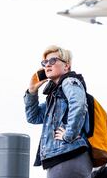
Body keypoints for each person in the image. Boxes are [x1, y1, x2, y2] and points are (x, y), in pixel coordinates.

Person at [24, 45, 92, 178]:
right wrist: (32, 92)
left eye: (53, 61)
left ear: (66, 66)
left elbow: (78, 104)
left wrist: (69, 134)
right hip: (61, 157)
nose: (47, 65)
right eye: (45, 62)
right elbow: (33, 117)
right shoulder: (55, 96)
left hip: (68, 155)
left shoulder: (69, 81)